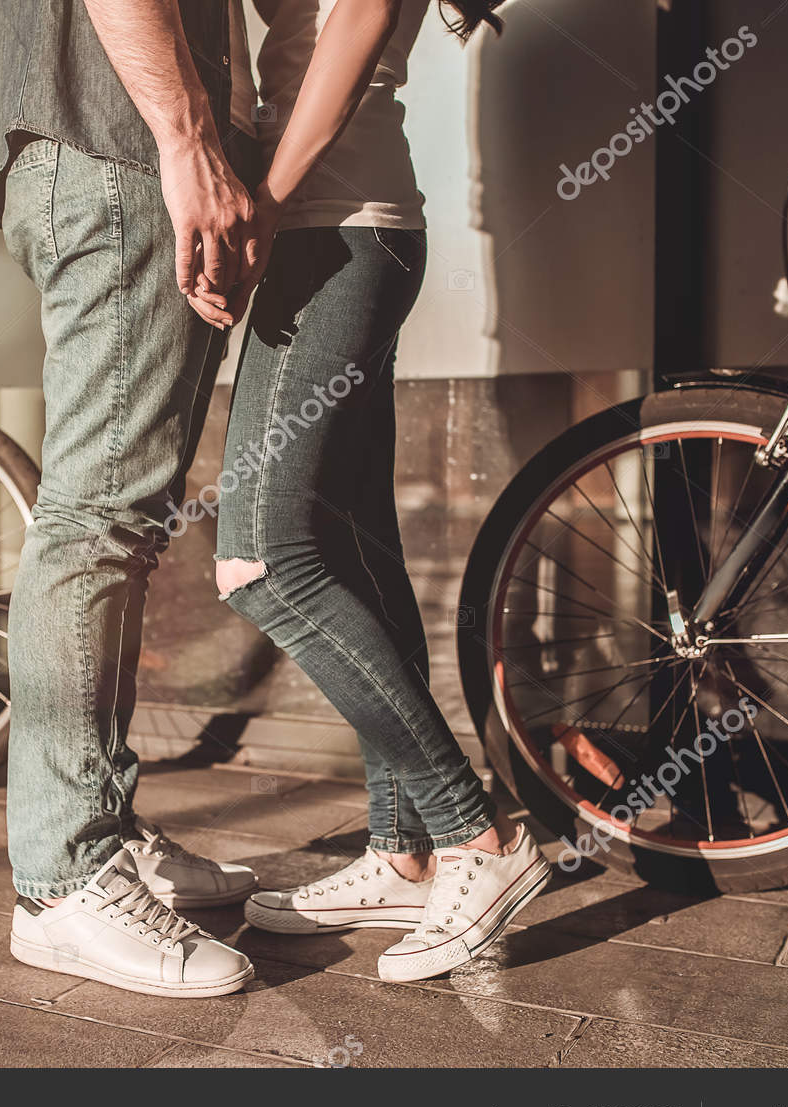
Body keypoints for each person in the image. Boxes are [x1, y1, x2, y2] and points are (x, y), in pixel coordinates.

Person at [193, 0, 552, 983]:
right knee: (353, 545)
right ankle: (403, 853)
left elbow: (358, 16)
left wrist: (259, 201)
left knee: (261, 559)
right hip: (342, 228)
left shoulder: (299, 206)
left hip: (331, 227)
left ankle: (476, 834)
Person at [0, 1, 269, 999]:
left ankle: (99, 822)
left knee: (117, 526)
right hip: (117, 149)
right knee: (94, 525)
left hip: (98, 150)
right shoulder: (143, 142)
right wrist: (187, 140)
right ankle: (62, 878)